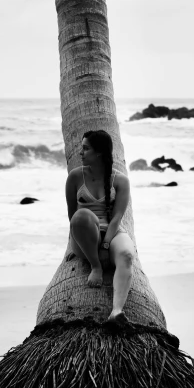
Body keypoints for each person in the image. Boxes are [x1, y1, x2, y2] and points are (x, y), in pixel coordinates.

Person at [65, 129, 135, 324]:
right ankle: (95, 266)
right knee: (82, 216)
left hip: (111, 232)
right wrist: (81, 243)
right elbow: (72, 215)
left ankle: (117, 312)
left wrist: (105, 245)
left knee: (127, 256)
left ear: (99, 153)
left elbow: (117, 218)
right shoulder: (75, 177)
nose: (80, 153)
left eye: (85, 149)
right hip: (85, 233)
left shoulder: (120, 180)